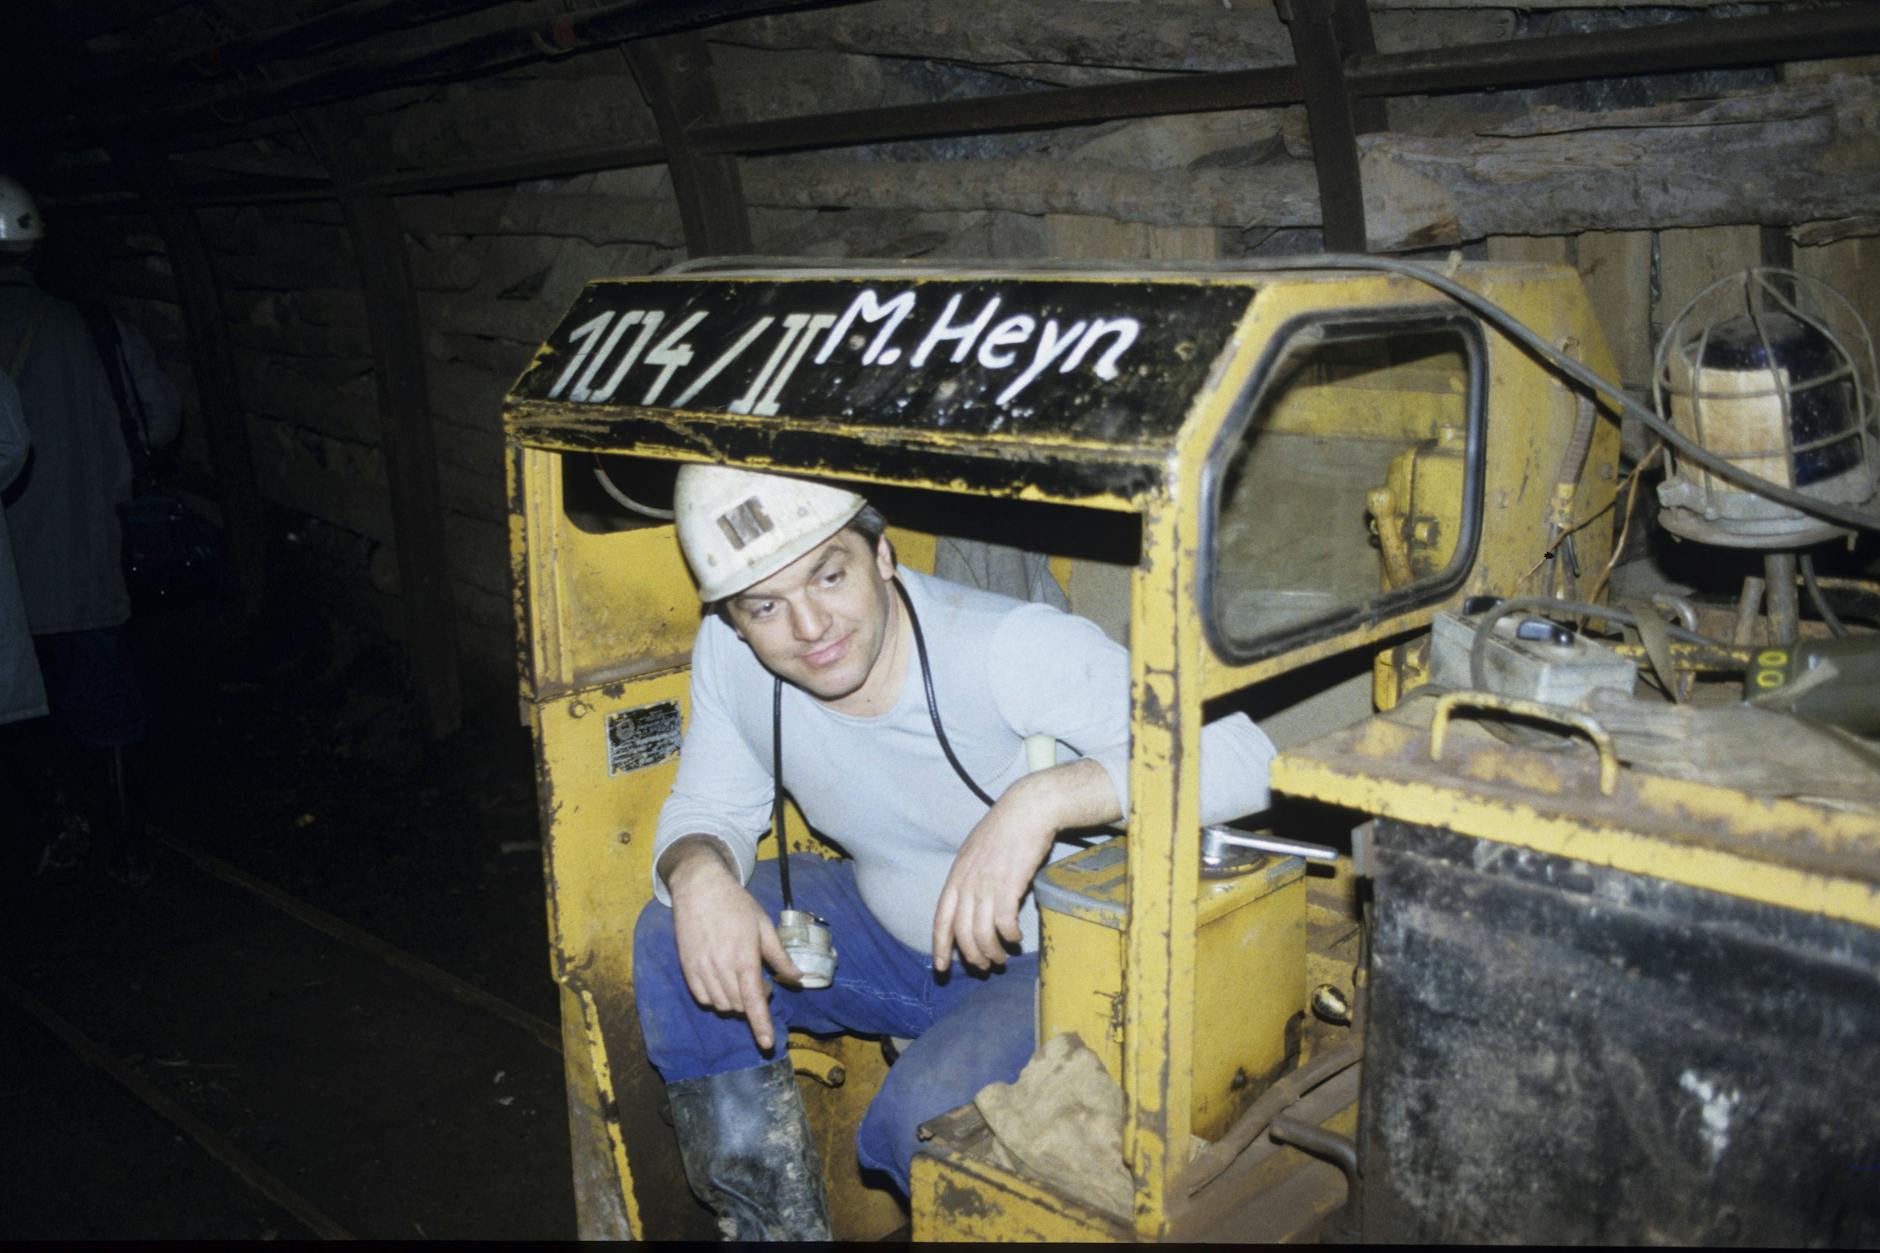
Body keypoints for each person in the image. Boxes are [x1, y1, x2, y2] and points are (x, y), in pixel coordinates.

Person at [634, 464, 1277, 1239]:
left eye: (829, 575)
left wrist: (1041, 800)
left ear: (883, 556)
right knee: (675, 929)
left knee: (923, 1122)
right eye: (766, 606)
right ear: (735, 619)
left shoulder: (1004, 646)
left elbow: (1244, 755)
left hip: (1049, 966)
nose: (809, 627)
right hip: (890, 936)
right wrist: (699, 871)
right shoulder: (732, 657)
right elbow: (708, 807)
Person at [0, 175, 180, 885]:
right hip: (84, 560)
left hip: (9, 583)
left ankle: (52, 829)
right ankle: (126, 837)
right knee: (106, 700)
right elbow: (158, 424)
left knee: (22, 720)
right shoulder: (100, 329)